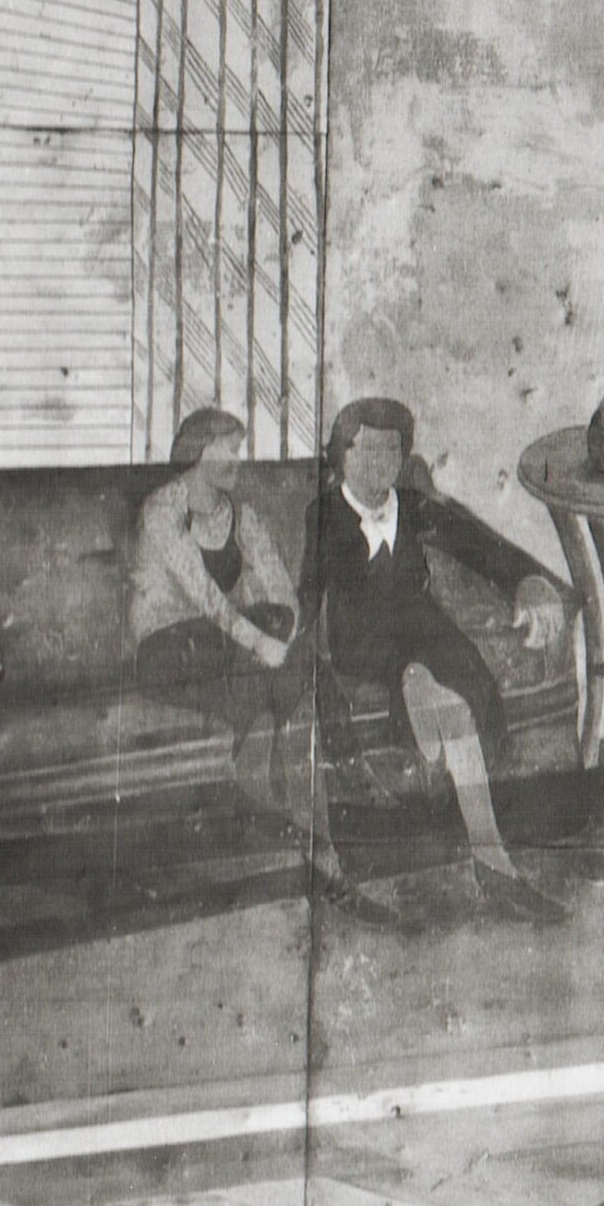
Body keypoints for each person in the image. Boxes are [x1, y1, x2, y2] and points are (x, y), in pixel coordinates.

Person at [303, 395, 569, 924]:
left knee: (454, 705)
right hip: (364, 639)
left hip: (425, 633)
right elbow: (306, 597)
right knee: (424, 684)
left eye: (393, 450)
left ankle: (491, 863)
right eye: (369, 449)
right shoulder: (325, 512)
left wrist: (529, 581)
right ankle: (491, 861)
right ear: (342, 455)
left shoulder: (412, 503)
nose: (384, 461)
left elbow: (479, 545)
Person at [130, 406, 380, 908]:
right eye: (225, 448)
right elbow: (208, 600)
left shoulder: (239, 514)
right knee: (285, 661)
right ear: (196, 451)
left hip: (226, 655)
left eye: (238, 448)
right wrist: (265, 642)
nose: (235, 459)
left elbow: (281, 591)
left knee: (282, 655)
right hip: (168, 652)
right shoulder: (163, 510)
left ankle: (318, 850)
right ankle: (347, 769)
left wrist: (286, 630)